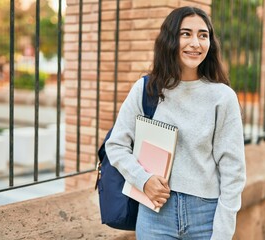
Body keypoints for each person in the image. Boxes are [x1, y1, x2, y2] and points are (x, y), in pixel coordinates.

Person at [105, 6, 246, 240]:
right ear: (170, 39)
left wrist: (223, 232)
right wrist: (143, 179)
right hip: (154, 214)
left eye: (203, 35)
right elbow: (116, 145)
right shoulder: (146, 89)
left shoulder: (222, 97)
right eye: (186, 34)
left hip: (206, 215)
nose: (196, 43)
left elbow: (233, 170)